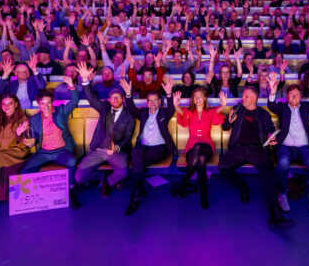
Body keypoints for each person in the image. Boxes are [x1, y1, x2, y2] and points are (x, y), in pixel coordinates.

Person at [218, 86, 294, 229]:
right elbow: (225, 127)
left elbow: (271, 129)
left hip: (257, 149)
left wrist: (271, 136)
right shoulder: (237, 109)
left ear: (254, 98)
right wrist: (229, 121)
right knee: (222, 166)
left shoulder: (263, 113)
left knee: (269, 176)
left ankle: (276, 215)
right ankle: (243, 186)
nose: (243, 98)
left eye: (246, 96)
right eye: (243, 95)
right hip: (239, 147)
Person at [74, 62, 135, 200]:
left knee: (123, 171)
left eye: (118, 97)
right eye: (112, 97)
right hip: (99, 148)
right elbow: (91, 98)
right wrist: (85, 80)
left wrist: (117, 148)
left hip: (117, 151)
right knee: (79, 176)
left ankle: (108, 182)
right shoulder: (104, 107)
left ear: (123, 99)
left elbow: (128, 136)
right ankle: (102, 177)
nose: (115, 99)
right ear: (109, 99)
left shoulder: (129, 114)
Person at [267, 72, 309, 213]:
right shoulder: (282, 108)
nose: (294, 97)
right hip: (285, 147)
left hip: (303, 147)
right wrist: (272, 92)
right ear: (287, 96)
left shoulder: (305, 107)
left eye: (297, 94)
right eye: (291, 94)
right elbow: (271, 106)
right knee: (283, 163)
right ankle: (282, 194)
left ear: (301, 96)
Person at [121, 77, 177, 215]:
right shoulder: (143, 113)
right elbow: (132, 109)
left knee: (136, 164)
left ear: (159, 102)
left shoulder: (164, 113)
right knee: (136, 152)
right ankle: (138, 190)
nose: (152, 103)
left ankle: (135, 197)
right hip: (143, 147)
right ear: (147, 102)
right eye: (150, 101)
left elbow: (171, 108)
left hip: (159, 148)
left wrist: (169, 94)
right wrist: (128, 94)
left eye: (155, 101)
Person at [20, 83, 81, 209]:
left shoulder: (61, 112)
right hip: (43, 153)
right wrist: (32, 142)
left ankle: (70, 191)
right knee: (25, 171)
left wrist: (72, 87)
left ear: (52, 102)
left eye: (48, 103)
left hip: (61, 151)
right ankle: (31, 198)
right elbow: (34, 139)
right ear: (38, 104)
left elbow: (75, 100)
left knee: (72, 161)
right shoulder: (34, 119)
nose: (46, 106)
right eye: (42, 103)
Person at [172, 88, 227, 209]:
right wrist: (176, 105)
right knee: (200, 158)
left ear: (205, 98)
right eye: (195, 97)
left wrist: (223, 105)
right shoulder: (189, 112)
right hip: (191, 147)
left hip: (207, 145)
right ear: (193, 99)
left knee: (200, 150)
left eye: (200, 96)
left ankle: (184, 184)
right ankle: (203, 192)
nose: (197, 99)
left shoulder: (210, 112)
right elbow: (181, 112)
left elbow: (218, 111)